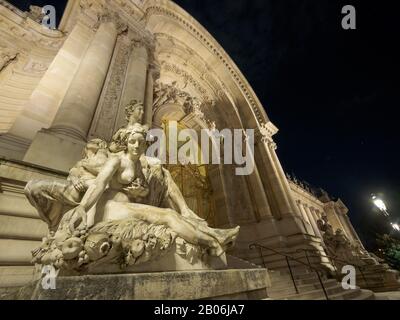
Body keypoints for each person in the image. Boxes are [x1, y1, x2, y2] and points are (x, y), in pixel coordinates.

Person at [68, 123, 239, 256]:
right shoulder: (116, 160)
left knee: (172, 213)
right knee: (169, 215)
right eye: (132, 141)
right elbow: (99, 183)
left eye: (140, 142)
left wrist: (139, 192)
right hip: (109, 207)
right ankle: (212, 243)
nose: (136, 145)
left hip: (126, 206)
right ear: (126, 143)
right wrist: (83, 207)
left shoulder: (139, 166)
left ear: (145, 145)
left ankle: (214, 235)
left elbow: (140, 192)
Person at [25, 139, 108, 231]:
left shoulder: (102, 156)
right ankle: (54, 225)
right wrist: (75, 179)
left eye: (97, 142)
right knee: (31, 187)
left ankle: (55, 226)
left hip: (87, 190)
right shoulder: (81, 162)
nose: (93, 141)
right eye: (92, 141)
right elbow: (72, 175)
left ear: (101, 145)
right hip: (73, 186)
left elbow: (103, 170)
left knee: (37, 187)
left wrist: (84, 164)